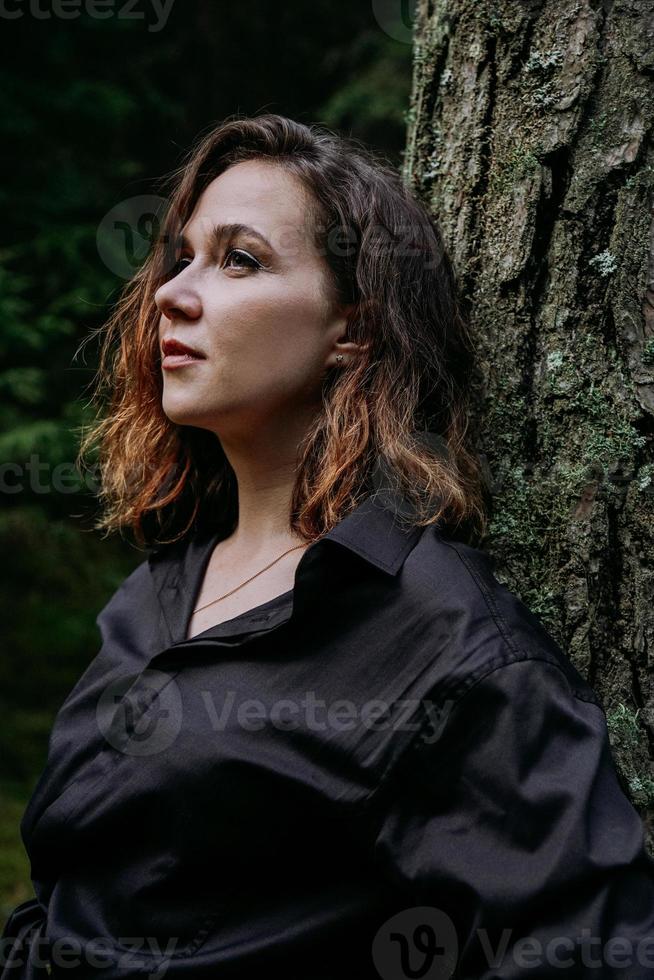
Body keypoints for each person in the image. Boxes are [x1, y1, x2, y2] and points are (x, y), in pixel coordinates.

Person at [2, 113, 653, 979]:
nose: (171, 292)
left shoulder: (442, 640)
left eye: (240, 260)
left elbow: (593, 950)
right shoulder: (159, 588)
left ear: (352, 328)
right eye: (182, 256)